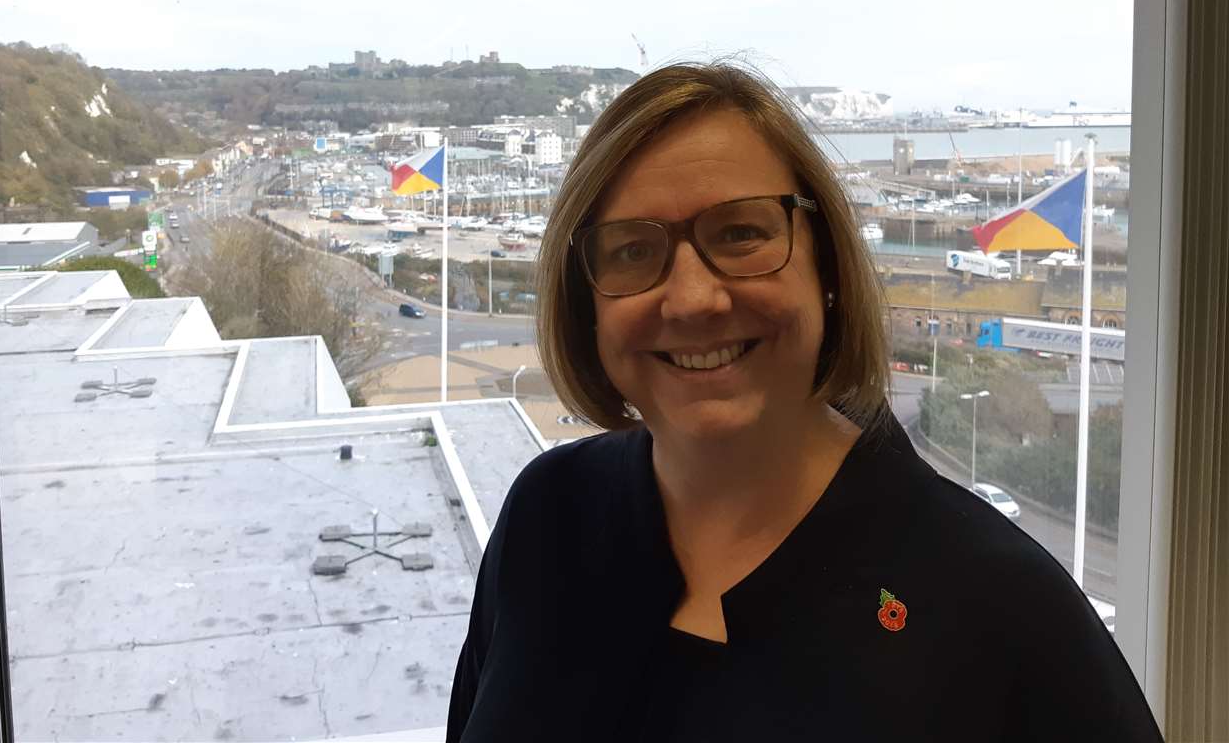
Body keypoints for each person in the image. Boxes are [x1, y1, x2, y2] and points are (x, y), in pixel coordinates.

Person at [446, 62, 1160, 742]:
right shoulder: (549, 518)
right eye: (632, 251)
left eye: (741, 233)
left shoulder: (1000, 609)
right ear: (588, 305)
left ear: (825, 266)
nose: (694, 298)